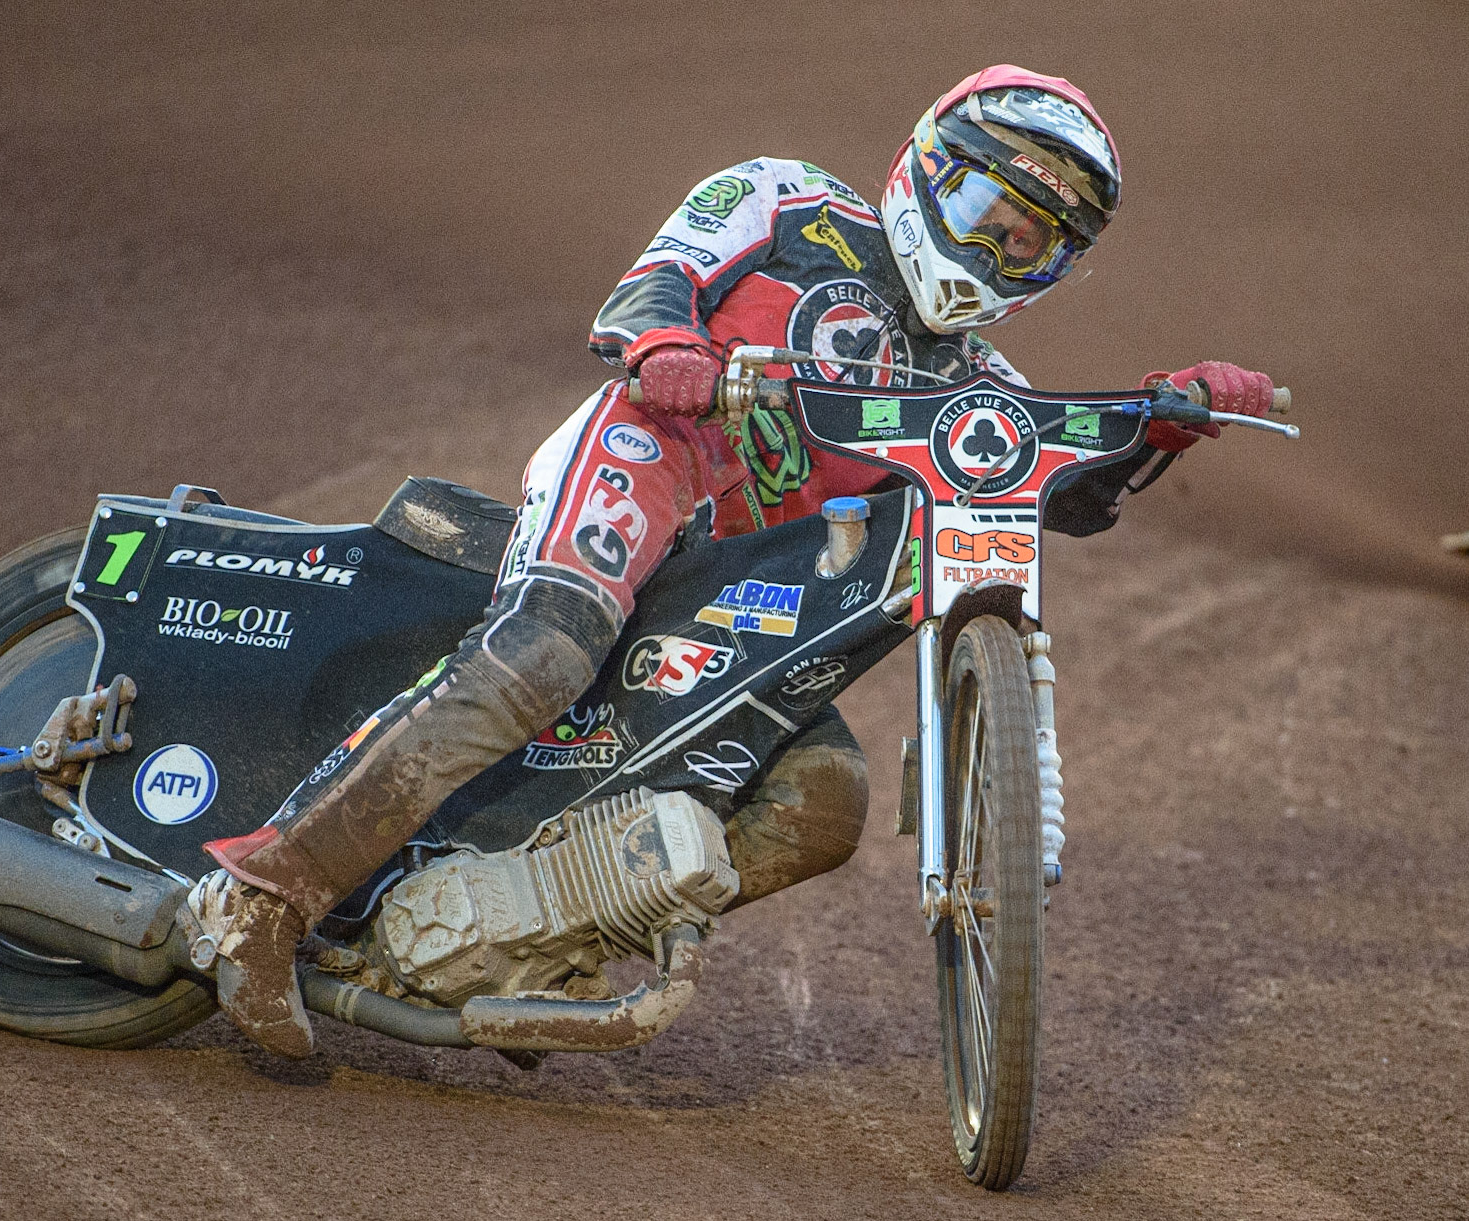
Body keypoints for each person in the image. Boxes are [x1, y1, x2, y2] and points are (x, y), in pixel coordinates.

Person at [182, 64, 1278, 1057]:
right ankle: (263, 897)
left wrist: (1165, 424)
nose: (994, 249)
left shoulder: (981, 381)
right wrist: (668, 349)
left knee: (824, 798)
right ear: (921, 170)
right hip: (650, 457)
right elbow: (654, 283)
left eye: (1029, 242)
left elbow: (1056, 499)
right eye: (984, 210)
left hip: (742, 575)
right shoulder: (785, 198)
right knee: (542, 654)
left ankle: (530, 931)